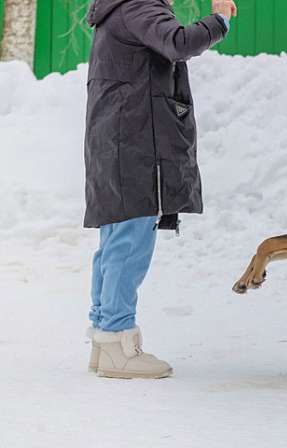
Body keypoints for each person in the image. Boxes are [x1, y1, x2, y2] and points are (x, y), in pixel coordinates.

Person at [83, 0, 237, 379]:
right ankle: (118, 341)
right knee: (130, 242)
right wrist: (220, 20)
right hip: (134, 143)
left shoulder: (121, 9)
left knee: (115, 240)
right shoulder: (138, 7)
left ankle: (106, 342)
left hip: (120, 140)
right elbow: (179, 42)